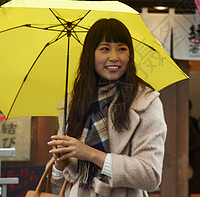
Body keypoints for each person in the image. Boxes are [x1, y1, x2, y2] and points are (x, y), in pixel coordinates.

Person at [47, 18, 167, 196]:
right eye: (104, 48)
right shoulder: (75, 102)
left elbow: (150, 175)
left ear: (130, 55)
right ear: (91, 54)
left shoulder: (145, 102)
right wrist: (60, 162)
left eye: (122, 49)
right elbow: (61, 178)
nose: (114, 57)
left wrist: (89, 153)